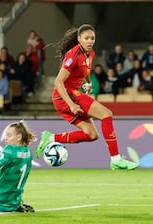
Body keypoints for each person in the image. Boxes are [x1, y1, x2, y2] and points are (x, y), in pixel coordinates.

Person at [35, 24, 138, 170]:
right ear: (79, 39)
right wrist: (71, 104)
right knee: (106, 114)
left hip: (70, 96)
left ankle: (50, 138)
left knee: (91, 135)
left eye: (92, 38)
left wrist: (88, 83)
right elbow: (58, 82)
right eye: (86, 38)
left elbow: (86, 70)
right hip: (65, 96)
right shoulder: (73, 56)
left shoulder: (90, 54)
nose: (90, 41)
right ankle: (116, 159)